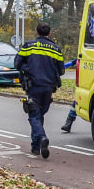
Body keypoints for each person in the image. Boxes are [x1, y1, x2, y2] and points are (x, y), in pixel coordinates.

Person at [13, 23, 65, 158]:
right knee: (39, 115)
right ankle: (35, 147)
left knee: (34, 115)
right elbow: (61, 71)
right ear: (49, 33)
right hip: (48, 88)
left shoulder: (28, 46)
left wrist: (27, 67)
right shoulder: (56, 49)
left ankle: (41, 138)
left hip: (33, 85)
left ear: (37, 33)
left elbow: (16, 64)